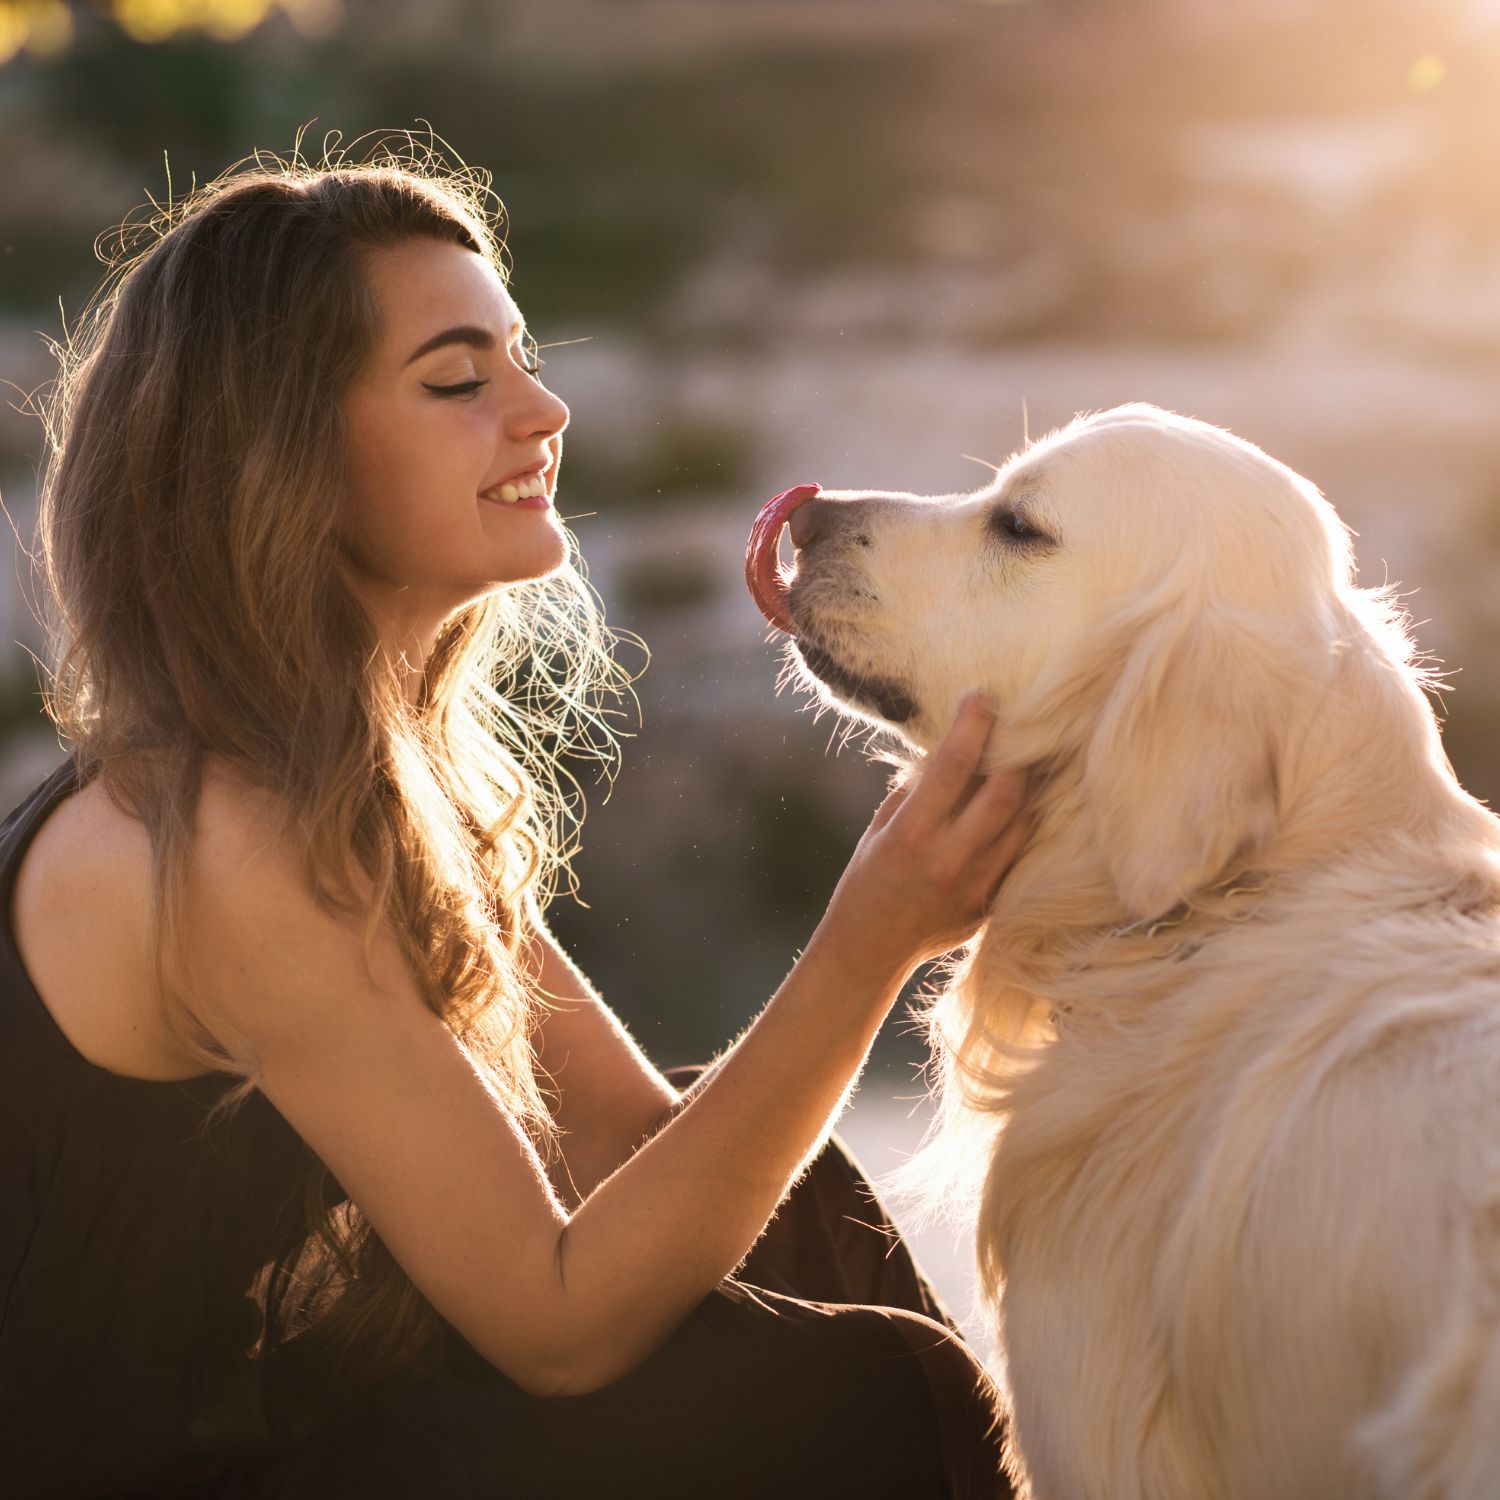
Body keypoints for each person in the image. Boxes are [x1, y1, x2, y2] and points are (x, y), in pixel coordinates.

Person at [0, 142, 1030, 1498]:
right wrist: (870, 937)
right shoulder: (222, 835)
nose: (542, 410)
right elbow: (557, 1329)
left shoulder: (357, 779)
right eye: (457, 380)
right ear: (280, 456)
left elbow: (632, 1149)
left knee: (805, 1207)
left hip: (304, 1426)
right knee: (867, 1395)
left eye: (521, 355)